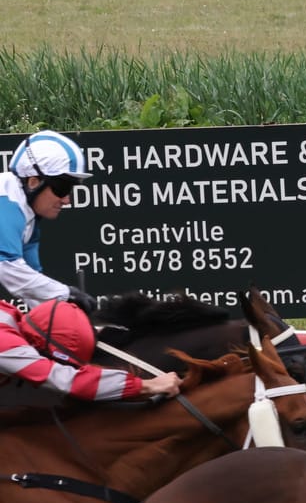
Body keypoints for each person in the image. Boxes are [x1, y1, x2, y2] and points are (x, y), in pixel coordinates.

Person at [0, 297, 181, 404]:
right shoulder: (8, 348)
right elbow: (66, 380)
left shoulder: (12, 317)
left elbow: (70, 331)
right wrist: (147, 385)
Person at [0, 131, 102, 315]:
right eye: (62, 188)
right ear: (33, 182)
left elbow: (34, 289)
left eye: (70, 189)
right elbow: (9, 269)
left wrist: (70, 315)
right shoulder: (6, 202)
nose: (66, 200)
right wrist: (67, 294)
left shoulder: (28, 216)